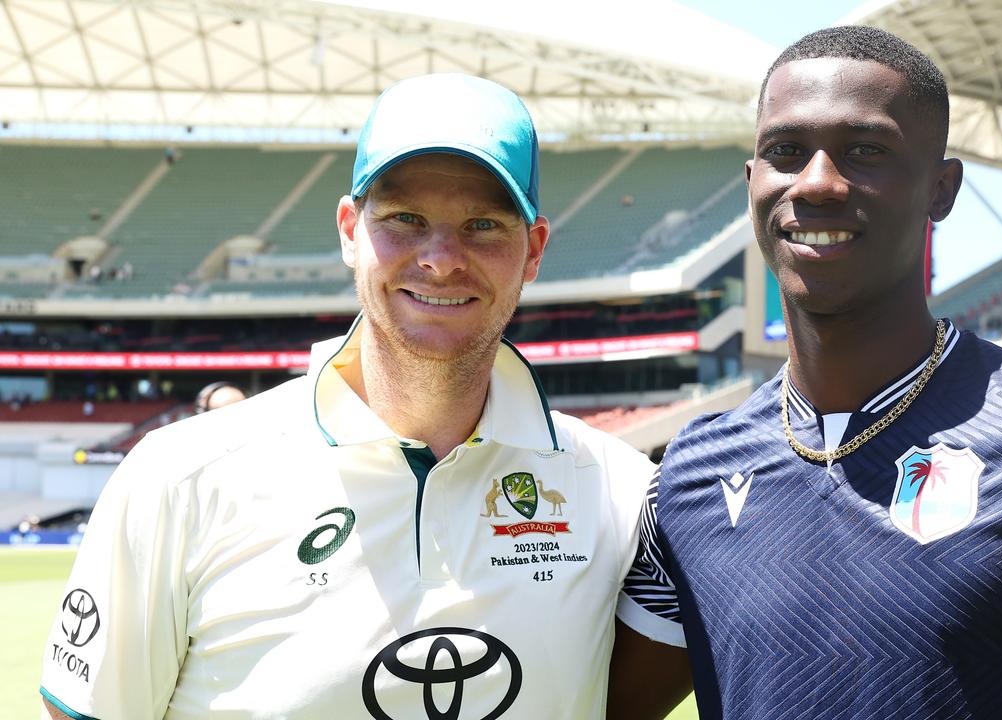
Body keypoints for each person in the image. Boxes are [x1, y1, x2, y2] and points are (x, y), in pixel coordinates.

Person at [609, 26, 1002, 720]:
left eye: (865, 151)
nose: (817, 183)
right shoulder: (692, 469)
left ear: (941, 188)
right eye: (785, 152)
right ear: (753, 185)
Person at [40, 73, 653, 719]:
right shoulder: (179, 476)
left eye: (482, 225)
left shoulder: (621, 493)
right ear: (348, 230)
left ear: (532, 252)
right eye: (404, 219)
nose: (442, 259)